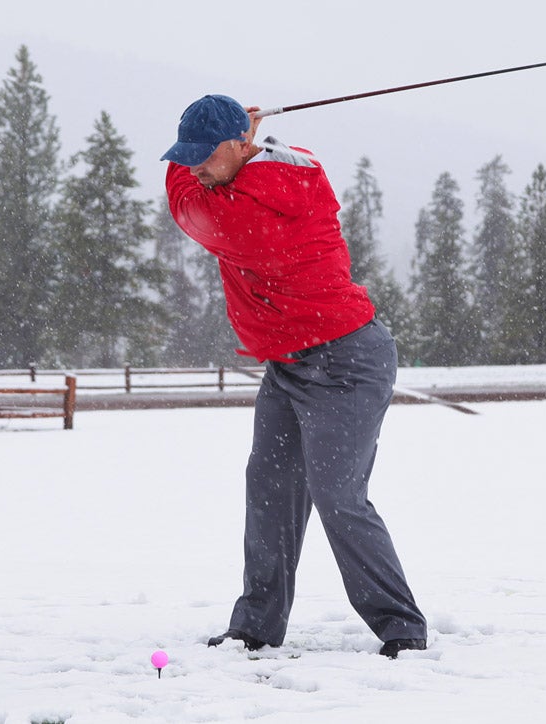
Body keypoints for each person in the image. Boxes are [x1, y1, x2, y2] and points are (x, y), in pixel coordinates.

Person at [161, 94, 427, 658]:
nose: (195, 167)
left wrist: (208, 158)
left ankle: (402, 627)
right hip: (287, 362)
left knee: (338, 496)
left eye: (203, 156)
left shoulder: (245, 213)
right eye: (186, 156)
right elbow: (216, 172)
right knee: (270, 492)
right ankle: (256, 626)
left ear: (238, 147)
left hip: (346, 363)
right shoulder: (279, 164)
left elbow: (185, 202)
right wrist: (234, 142)